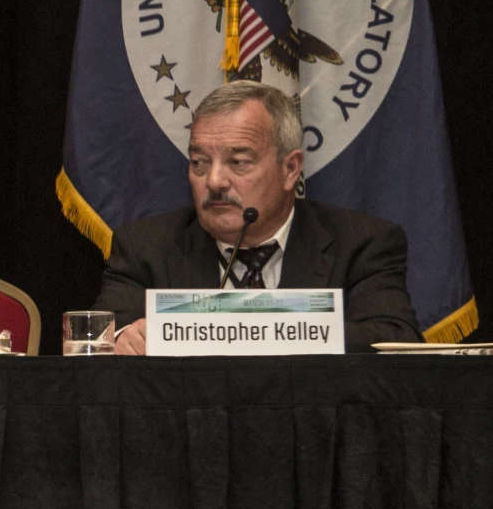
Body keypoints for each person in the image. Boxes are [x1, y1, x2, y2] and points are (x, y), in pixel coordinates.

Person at [96, 79, 420, 354]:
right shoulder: (144, 247)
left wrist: (257, 329)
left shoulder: (362, 244)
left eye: (238, 162)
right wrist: (123, 338)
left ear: (290, 168)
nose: (214, 181)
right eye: (199, 162)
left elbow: (393, 342)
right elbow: (96, 340)